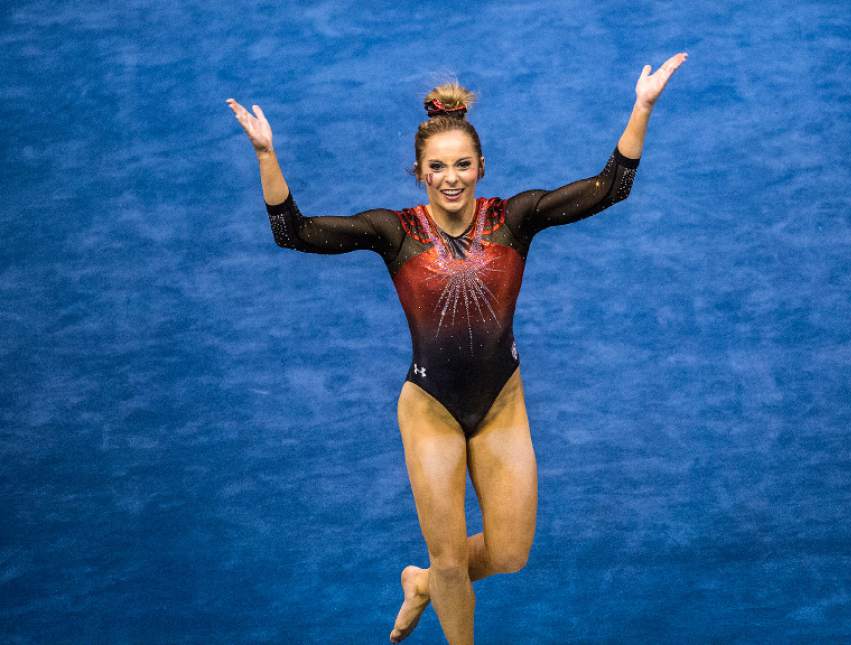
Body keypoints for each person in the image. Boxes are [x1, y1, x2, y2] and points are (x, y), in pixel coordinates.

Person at [225, 52, 687, 645]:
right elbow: (294, 232)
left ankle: (421, 584)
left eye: (463, 165)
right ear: (419, 172)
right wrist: (267, 154)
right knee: (449, 560)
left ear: (481, 167)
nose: (451, 178)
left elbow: (610, 188)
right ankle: (442, 595)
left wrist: (642, 106)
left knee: (511, 553)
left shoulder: (513, 220)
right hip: (431, 409)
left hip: (501, 405)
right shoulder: (395, 232)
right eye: (438, 167)